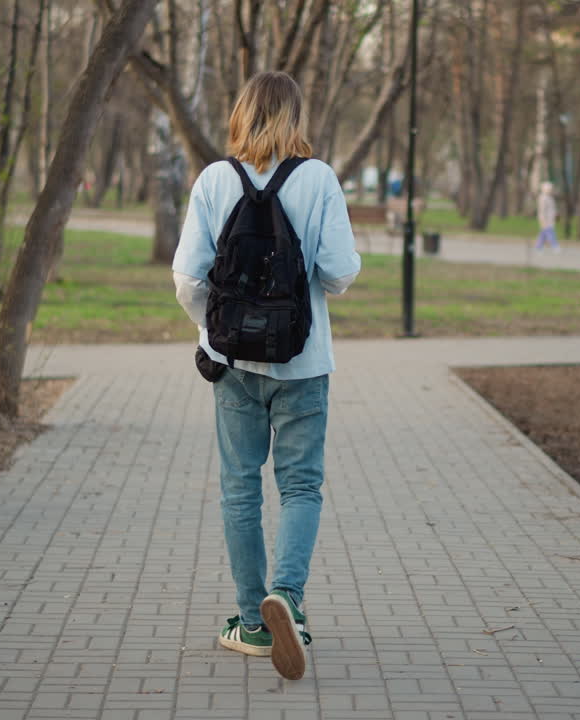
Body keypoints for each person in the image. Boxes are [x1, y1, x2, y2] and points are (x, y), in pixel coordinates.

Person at [171, 71, 361, 680]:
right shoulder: (319, 179)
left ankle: (252, 620)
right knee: (301, 486)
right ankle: (289, 599)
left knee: (239, 488)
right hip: (303, 363)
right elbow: (338, 273)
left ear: (242, 111)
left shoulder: (212, 180)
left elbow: (186, 278)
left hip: (233, 369)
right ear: (295, 117)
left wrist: (217, 333)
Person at [535, 181, 560, 251]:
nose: (551, 190)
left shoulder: (549, 197)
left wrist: (555, 215)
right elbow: (542, 210)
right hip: (546, 220)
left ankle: (538, 246)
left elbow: (552, 209)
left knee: (543, 234)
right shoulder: (543, 198)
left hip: (550, 219)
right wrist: (542, 220)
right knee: (550, 233)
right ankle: (555, 246)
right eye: (549, 189)